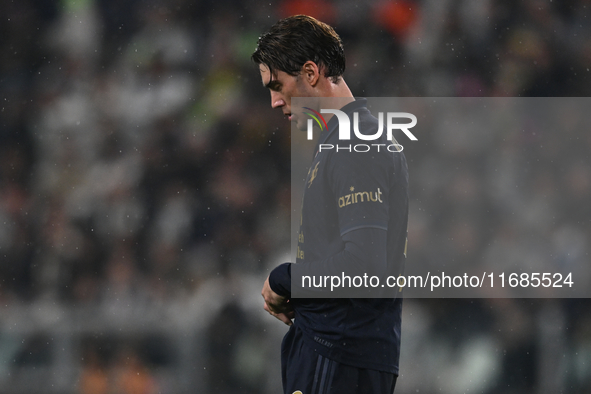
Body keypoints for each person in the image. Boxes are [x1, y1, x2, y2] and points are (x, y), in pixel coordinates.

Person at [253, 15, 408, 394]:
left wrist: (283, 279)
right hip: (340, 350)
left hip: (338, 355)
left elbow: (362, 267)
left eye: (278, 85)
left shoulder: (356, 144)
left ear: (309, 72)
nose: (274, 101)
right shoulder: (346, 139)